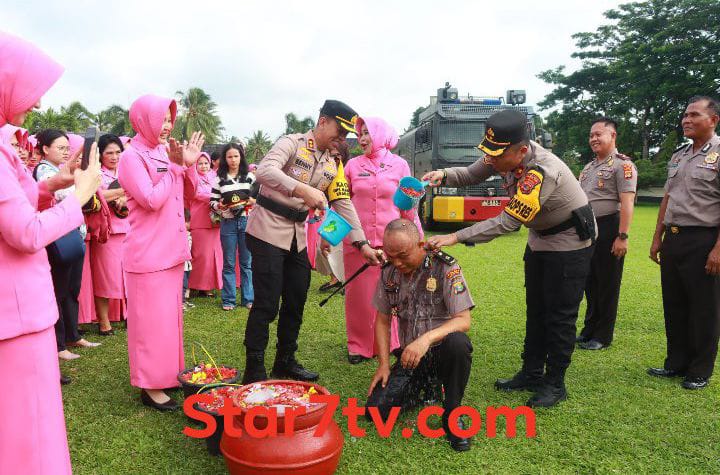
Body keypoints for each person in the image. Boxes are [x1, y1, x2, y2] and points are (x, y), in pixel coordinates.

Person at [422, 109, 596, 407]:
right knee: (536, 309)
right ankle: (530, 372)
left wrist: (455, 236)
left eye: (495, 156)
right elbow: (471, 173)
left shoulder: (541, 171)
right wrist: (444, 174)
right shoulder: (503, 153)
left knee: (560, 316)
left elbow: (509, 221)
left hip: (569, 245)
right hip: (540, 238)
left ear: (522, 151)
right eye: (487, 153)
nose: (490, 160)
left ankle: (555, 383)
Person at [0, 31, 102, 474]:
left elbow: (14, 208)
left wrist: (51, 186)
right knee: (28, 426)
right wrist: (78, 197)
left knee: (33, 419)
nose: (36, 106)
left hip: (22, 309)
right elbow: (23, 233)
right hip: (15, 313)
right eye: (29, 93)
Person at [242, 99, 382, 384]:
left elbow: (342, 204)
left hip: (297, 236)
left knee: (296, 299)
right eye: (339, 133)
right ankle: (254, 367)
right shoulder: (291, 143)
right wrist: (302, 190)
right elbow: (264, 171)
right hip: (267, 230)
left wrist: (362, 244)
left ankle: (285, 361)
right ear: (322, 122)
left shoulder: (333, 163)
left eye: (345, 136)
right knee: (267, 304)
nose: (341, 140)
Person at [118, 94, 204, 411]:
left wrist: (188, 167)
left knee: (168, 321)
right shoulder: (132, 157)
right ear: (144, 120)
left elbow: (190, 195)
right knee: (150, 323)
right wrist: (175, 167)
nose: (167, 126)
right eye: (161, 119)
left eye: (169, 119)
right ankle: (149, 385)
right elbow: (151, 199)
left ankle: (168, 375)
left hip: (171, 250)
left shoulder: (161, 152)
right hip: (147, 254)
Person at [366, 218, 474, 452]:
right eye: (390, 255)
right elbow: (382, 320)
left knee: (458, 343)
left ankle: (452, 412)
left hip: (441, 350)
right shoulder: (389, 272)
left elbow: (464, 321)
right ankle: (427, 386)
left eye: (403, 255)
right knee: (375, 412)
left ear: (420, 245)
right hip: (410, 358)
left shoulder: (446, 267)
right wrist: (383, 365)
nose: (397, 262)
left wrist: (425, 340)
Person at [648, 95, 720, 390]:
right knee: (674, 304)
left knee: (704, 307)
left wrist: (718, 249)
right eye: (685, 115)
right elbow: (668, 197)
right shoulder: (679, 155)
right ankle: (676, 363)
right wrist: (657, 237)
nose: (686, 120)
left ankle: (699, 369)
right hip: (674, 238)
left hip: (704, 239)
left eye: (693, 115)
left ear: (713, 120)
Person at [343, 116, 423, 364]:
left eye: (367, 133)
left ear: (380, 134)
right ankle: (358, 345)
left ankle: (393, 342)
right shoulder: (351, 166)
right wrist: (327, 236)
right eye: (360, 134)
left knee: (394, 294)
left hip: (394, 246)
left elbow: (408, 209)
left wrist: (419, 239)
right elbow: (339, 205)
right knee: (358, 298)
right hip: (358, 244)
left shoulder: (400, 166)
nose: (362, 138)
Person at [34, 128, 101, 359]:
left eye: (67, 148)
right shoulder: (43, 171)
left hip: (73, 235)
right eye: (60, 148)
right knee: (59, 290)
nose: (65, 152)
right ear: (45, 149)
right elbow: (63, 196)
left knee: (72, 289)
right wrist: (82, 188)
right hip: (57, 238)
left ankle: (73, 334)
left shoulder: (65, 170)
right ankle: (59, 344)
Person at [576, 117, 637, 350]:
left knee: (608, 283)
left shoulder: (623, 165)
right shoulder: (589, 167)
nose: (593, 138)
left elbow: (627, 201)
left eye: (598, 134)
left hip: (610, 227)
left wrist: (622, 236)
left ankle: (602, 336)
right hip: (588, 229)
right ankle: (589, 329)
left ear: (613, 136)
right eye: (591, 135)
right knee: (590, 282)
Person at [210, 143, 256, 311]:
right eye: (229, 156)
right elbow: (212, 202)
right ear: (225, 159)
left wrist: (251, 202)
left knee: (247, 263)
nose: (233, 160)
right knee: (229, 263)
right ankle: (228, 299)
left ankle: (248, 298)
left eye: (236, 156)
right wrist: (220, 206)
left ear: (241, 157)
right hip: (227, 223)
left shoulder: (250, 177)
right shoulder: (219, 179)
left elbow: (260, 200)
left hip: (246, 222)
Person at [91, 134, 129, 335]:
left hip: (130, 229)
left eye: (118, 152)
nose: (114, 157)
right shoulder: (95, 173)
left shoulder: (128, 171)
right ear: (100, 155)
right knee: (104, 276)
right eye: (109, 153)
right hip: (106, 231)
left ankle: (132, 315)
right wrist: (122, 192)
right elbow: (94, 194)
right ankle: (104, 321)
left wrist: (126, 197)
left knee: (131, 273)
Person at [184, 152, 222, 298]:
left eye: (206, 163)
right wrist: (216, 198)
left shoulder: (214, 176)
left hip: (215, 221)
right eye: (200, 163)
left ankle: (207, 287)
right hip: (200, 221)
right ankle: (193, 285)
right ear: (195, 164)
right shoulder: (192, 178)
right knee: (200, 256)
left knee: (214, 255)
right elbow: (196, 194)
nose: (204, 166)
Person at [315, 142, 350, 291]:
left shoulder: (347, 172)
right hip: (331, 214)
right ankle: (335, 278)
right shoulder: (325, 171)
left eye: (337, 156)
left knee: (340, 249)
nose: (333, 159)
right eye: (330, 155)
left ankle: (341, 279)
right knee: (321, 248)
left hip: (345, 216)